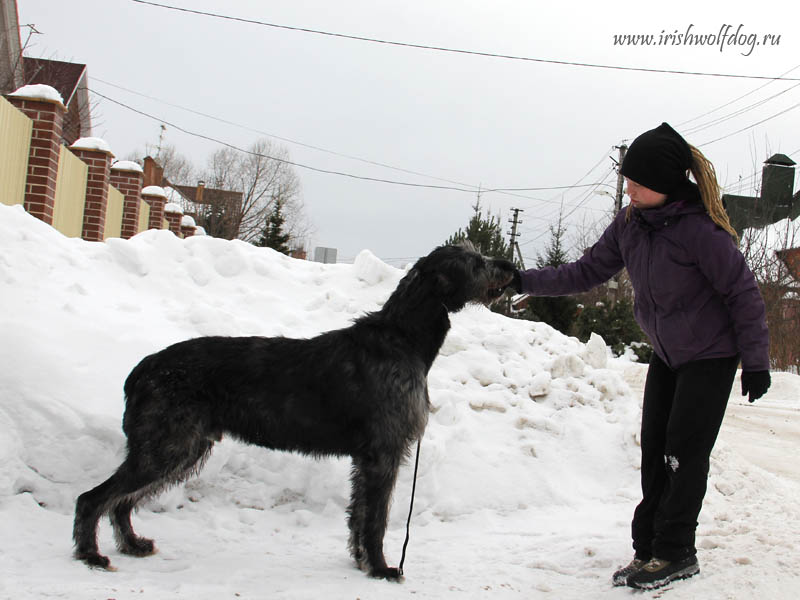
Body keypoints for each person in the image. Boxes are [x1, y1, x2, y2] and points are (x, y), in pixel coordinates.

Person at [509, 122, 770, 590]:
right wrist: (522, 281)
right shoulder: (630, 225)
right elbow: (584, 271)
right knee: (654, 452)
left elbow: (744, 294)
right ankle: (648, 549)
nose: (628, 187)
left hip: (710, 356)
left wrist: (756, 361)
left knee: (682, 454)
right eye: (628, 179)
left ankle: (676, 552)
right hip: (668, 355)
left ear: (665, 184)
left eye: (637, 181)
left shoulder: (701, 233)